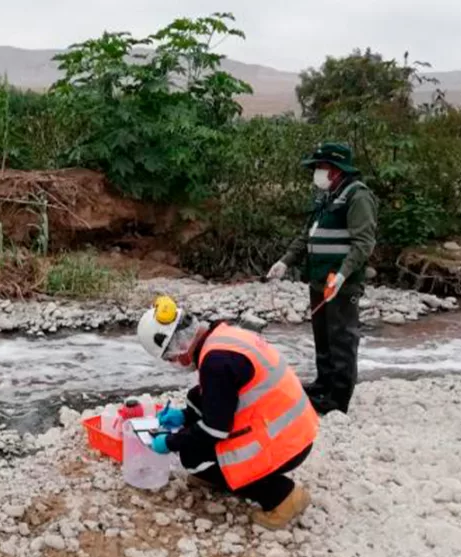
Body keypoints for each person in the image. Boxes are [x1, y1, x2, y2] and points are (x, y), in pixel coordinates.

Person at [136, 296, 318, 529]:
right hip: (293, 428)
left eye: (170, 359)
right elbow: (218, 398)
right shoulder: (222, 337)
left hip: (285, 444)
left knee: (192, 457)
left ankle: (283, 496)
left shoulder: (216, 363)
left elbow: (214, 430)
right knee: (196, 398)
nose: (175, 363)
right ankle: (220, 474)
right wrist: (184, 416)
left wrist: (170, 442)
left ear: (177, 349)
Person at [266, 142, 378, 416]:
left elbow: (364, 243)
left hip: (342, 282)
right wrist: (285, 261)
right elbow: (307, 236)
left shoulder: (357, 196)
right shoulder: (325, 197)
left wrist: (342, 274)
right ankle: (322, 385)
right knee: (323, 336)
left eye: (320, 167)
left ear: (336, 169)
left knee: (342, 338)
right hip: (318, 280)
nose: (316, 172)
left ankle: (338, 398)